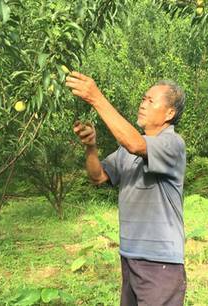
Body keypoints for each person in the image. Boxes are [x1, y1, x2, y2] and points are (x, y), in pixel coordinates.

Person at [66, 71, 187, 306]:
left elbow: (134, 144)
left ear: (169, 113)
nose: (143, 104)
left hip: (160, 263)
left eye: (151, 101)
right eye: (143, 99)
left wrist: (95, 97)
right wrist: (91, 147)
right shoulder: (128, 150)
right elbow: (98, 177)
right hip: (130, 257)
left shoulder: (172, 143)